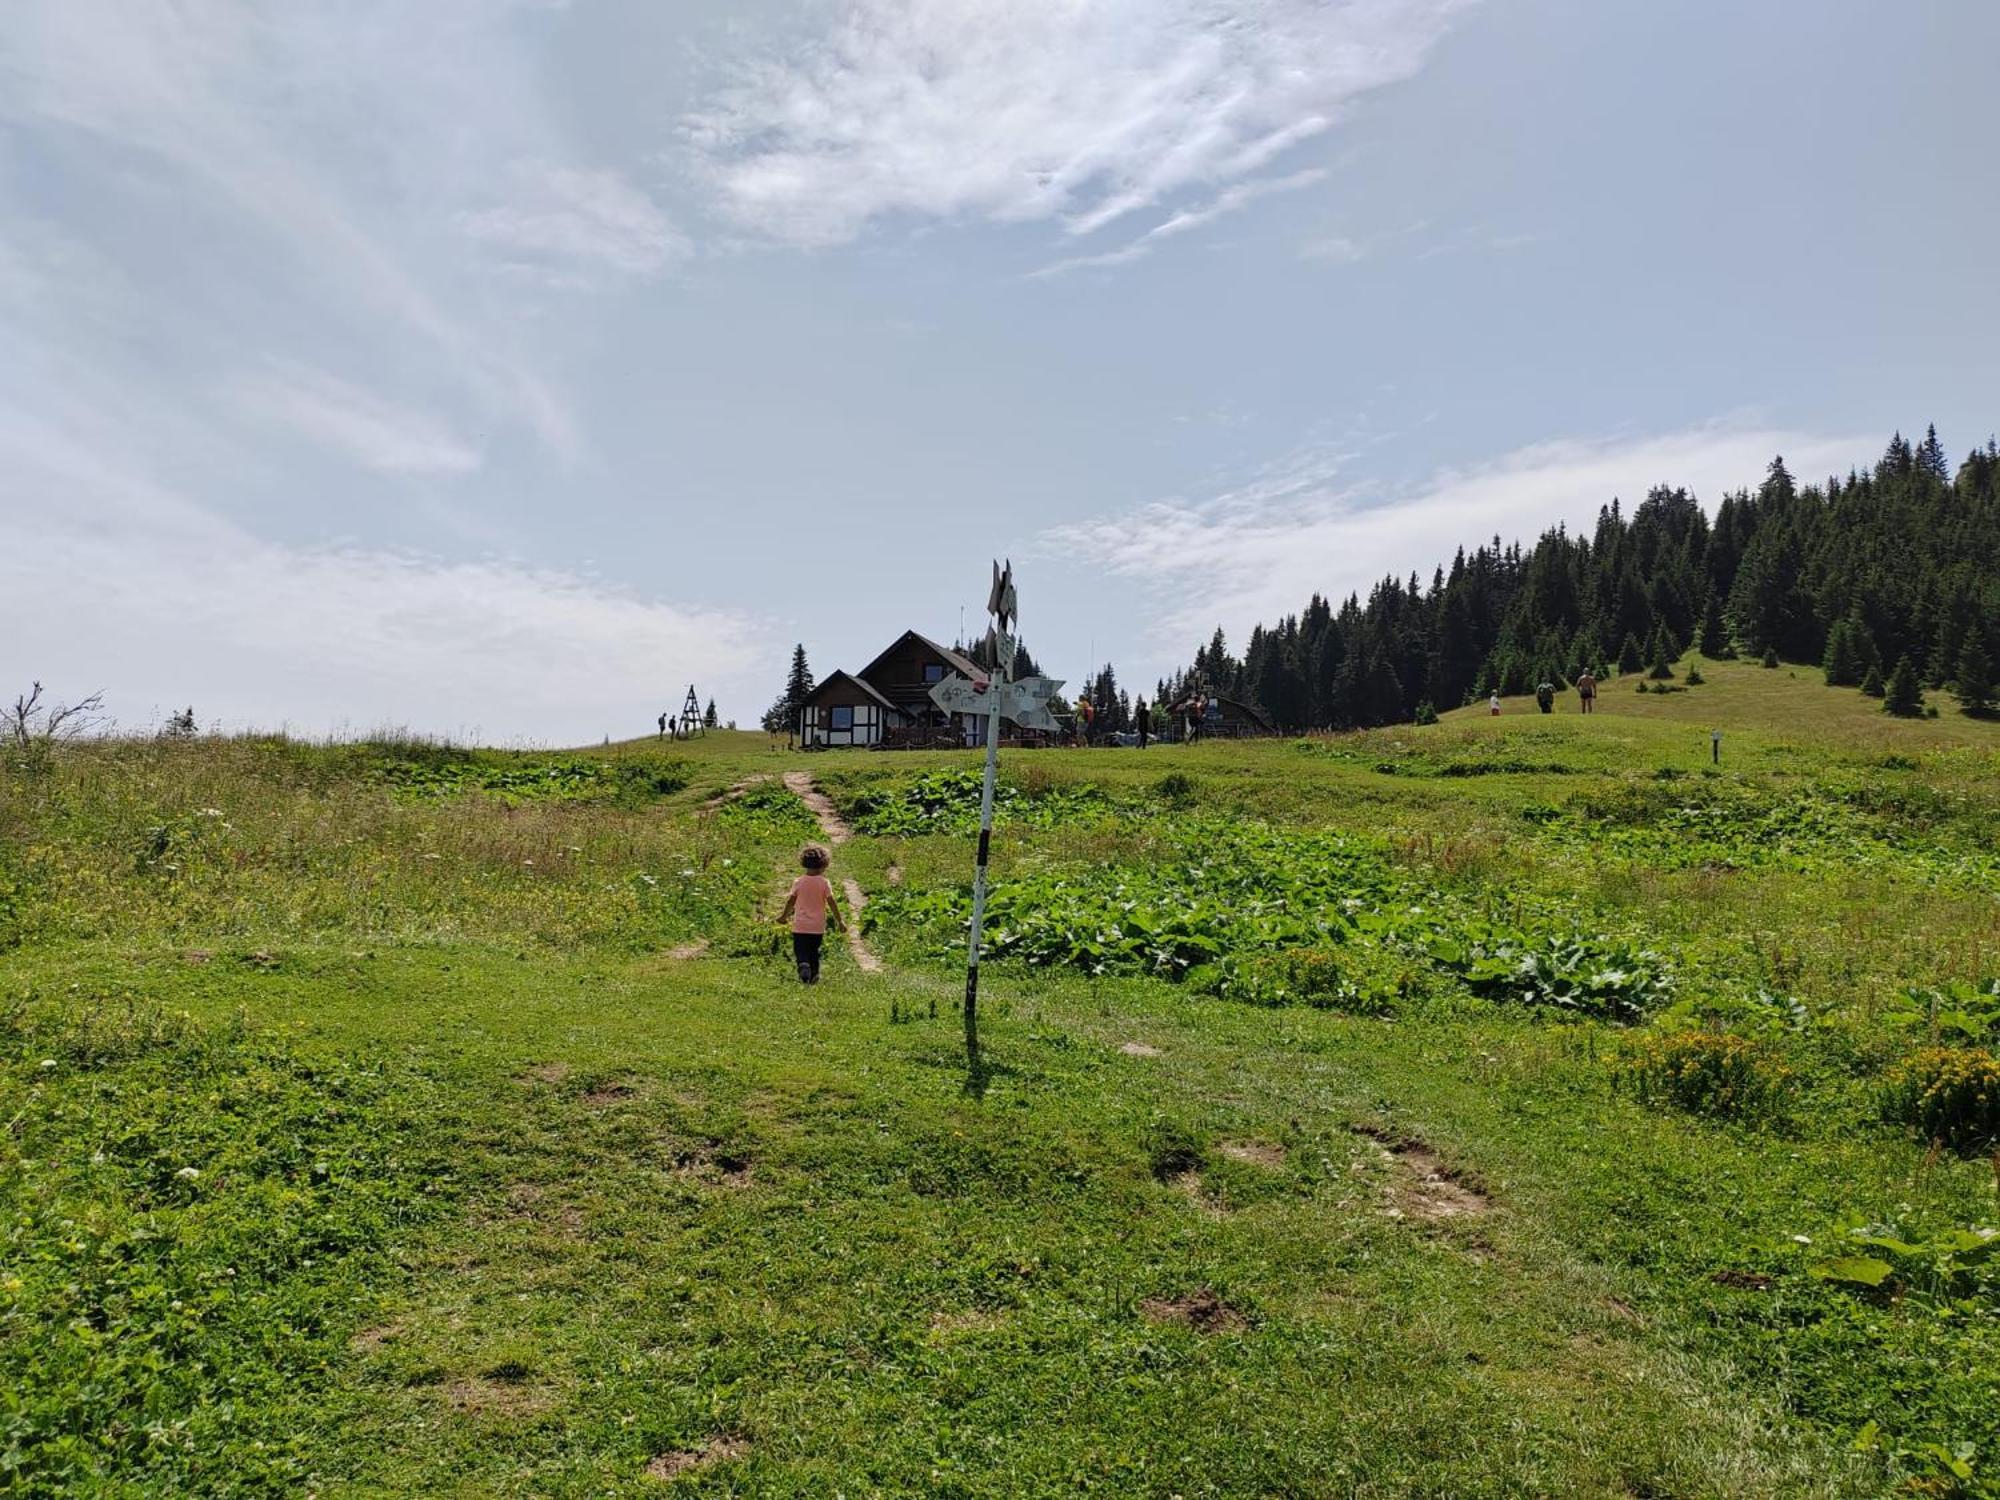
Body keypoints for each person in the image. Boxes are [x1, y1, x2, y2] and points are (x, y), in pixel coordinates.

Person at [778, 843, 843, 985]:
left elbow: (791, 901)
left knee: (800, 949)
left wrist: (784, 916)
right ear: (824, 865)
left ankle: (803, 965)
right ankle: (814, 975)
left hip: (800, 924)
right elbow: (832, 903)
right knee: (814, 951)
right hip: (817, 926)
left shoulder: (799, 882)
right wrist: (840, 921)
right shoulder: (824, 883)